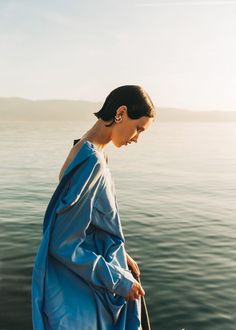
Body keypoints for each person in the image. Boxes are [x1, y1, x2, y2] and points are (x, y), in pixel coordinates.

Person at [31, 85, 156, 329]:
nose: (137, 138)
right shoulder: (92, 163)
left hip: (82, 281)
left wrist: (122, 254)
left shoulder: (84, 149)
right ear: (121, 113)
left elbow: (86, 222)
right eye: (138, 128)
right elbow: (61, 242)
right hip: (83, 292)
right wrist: (120, 281)